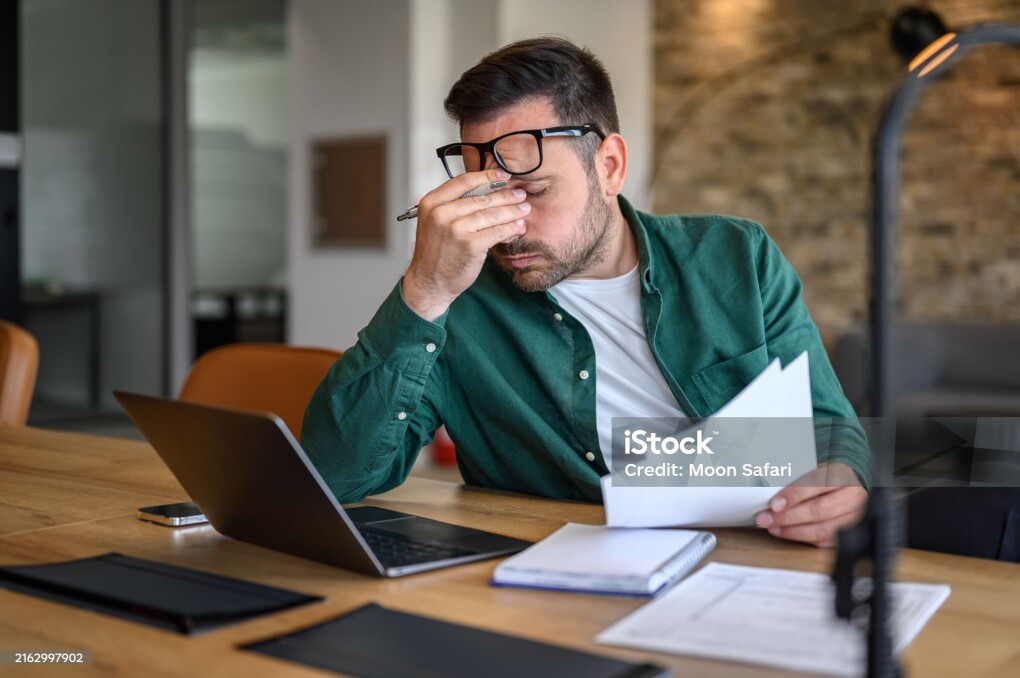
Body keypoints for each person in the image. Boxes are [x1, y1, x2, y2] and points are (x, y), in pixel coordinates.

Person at [302, 36, 870, 548]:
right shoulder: (455, 300)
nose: (508, 226)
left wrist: (840, 478)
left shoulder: (735, 257)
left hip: (749, 553)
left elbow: (825, 424)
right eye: (485, 197)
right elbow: (336, 476)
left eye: (532, 190)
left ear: (610, 166)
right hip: (544, 577)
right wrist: (422, 292)